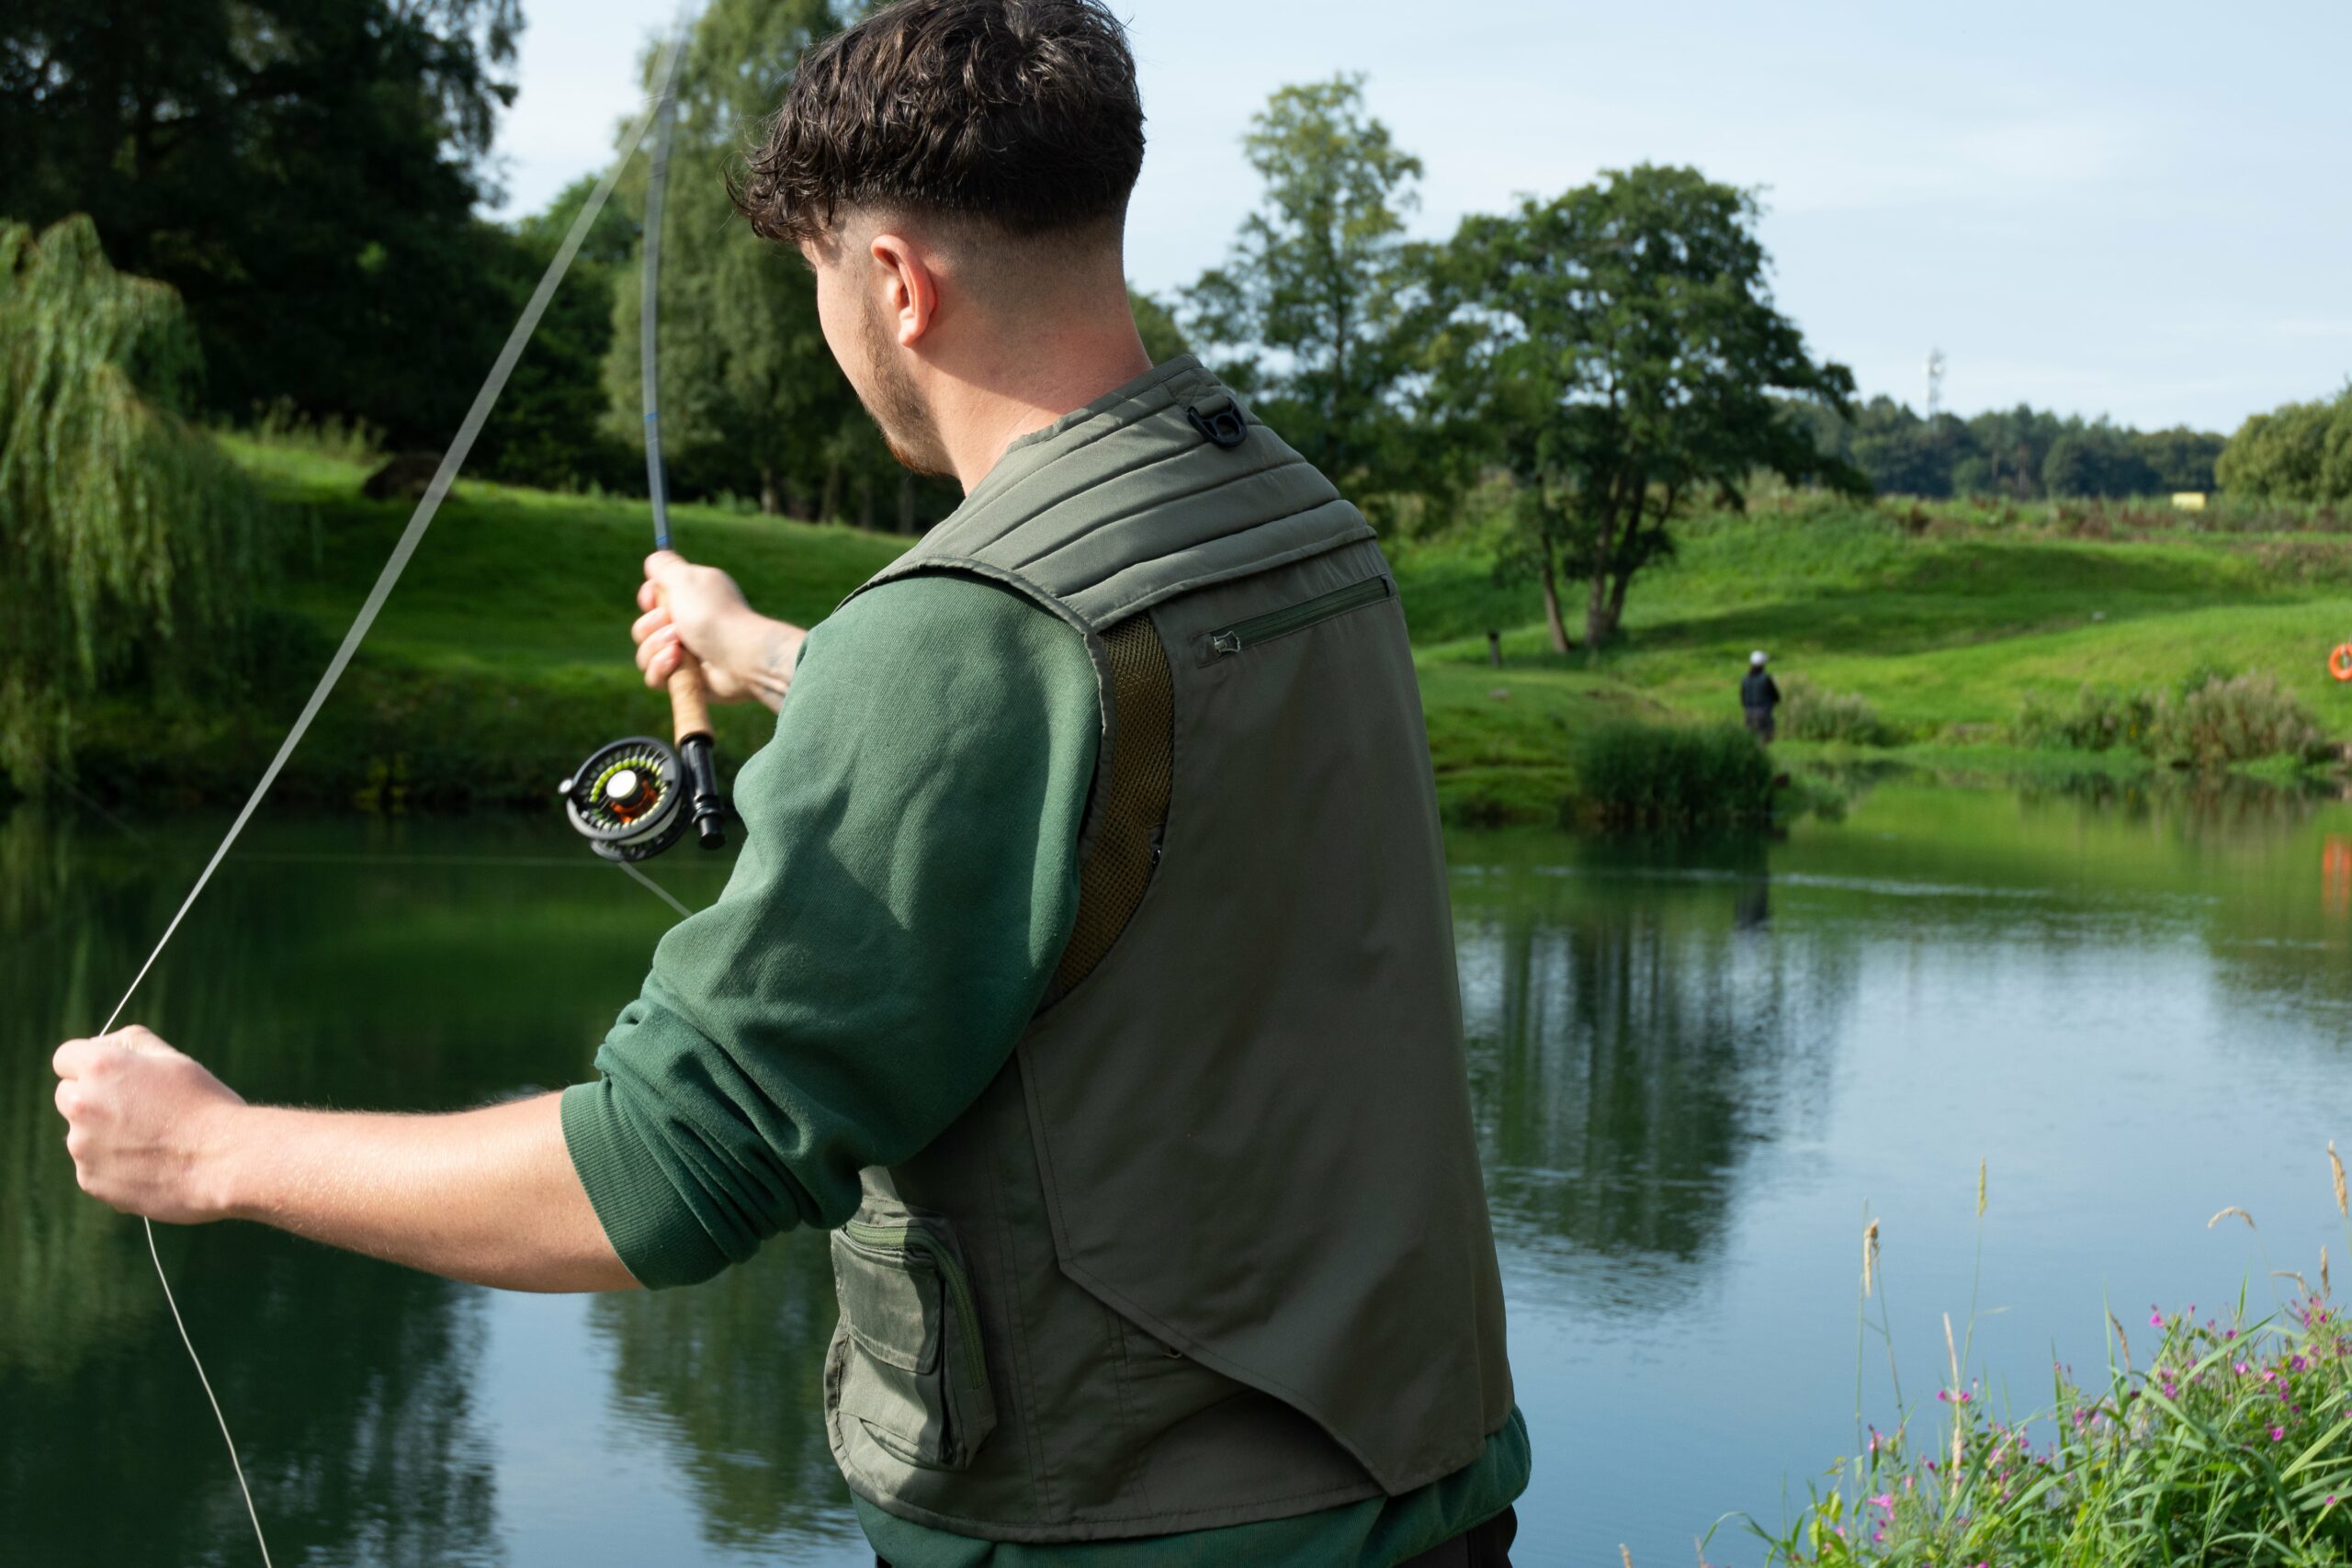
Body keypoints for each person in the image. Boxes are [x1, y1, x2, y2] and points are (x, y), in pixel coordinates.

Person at [49, 3, 1527, 1564]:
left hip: (1132, 1534)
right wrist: (755, 645)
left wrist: (213, 1150)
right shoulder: (1292, 516)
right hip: (1429, 1497)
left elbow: (668, 1165)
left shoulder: (963, 640)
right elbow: (1086, 743)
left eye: (819, 276)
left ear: (896, 282)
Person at [1741, 649, 1781, 741]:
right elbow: (1776, 696)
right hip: (1763, 712)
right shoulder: (1766, 678)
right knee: (1765, 738)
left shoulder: (1745, 679)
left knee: (1750, 738)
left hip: (1748, 712)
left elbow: (1742, 697)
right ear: (1762, 664)